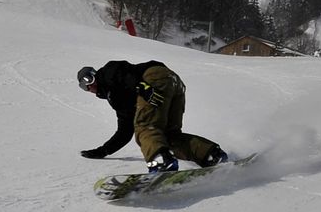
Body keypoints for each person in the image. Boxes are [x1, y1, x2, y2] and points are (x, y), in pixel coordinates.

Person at [77, 60, 228, 173]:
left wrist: (141, 86)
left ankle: (161, 162)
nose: (89, 86)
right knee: (167, 137)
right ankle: (210, 154)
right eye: (84, 86)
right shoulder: (117, 99)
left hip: (155, 78)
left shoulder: (107, 73)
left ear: (94, 74)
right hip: (174, 83)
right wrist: (103, 151)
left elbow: (123, 71)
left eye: (89, 79)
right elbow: (125, 131)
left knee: (145, 127)